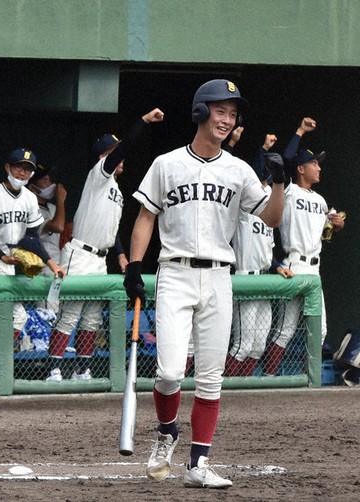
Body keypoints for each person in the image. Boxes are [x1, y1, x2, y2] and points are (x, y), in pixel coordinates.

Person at [123, 79, 285, 488]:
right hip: (175, 272)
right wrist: (135, 266)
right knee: (170, 373)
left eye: (232, 114)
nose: (227, 119)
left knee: (211, 377)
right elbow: (146, 218)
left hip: (218, 276)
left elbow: (272, 218)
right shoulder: (167, 163)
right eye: (220, 110)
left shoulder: (238, 169)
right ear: (200, 112)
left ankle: (198, 464)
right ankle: (166, 434)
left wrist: (279, 184)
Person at [46, 108, 164, 382]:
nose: (119, 156)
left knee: (91, 319)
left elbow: (113, 231)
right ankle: (54, 367)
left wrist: (121, 255)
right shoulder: (99, 174)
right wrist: (143, 122)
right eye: (113, 151)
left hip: (100, 257)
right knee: (70, 315)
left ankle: (82, 369)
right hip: (81, 253)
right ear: (104, 155)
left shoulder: (116, 190)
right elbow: (122, 151)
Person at [263, 117, 345, 376]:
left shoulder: (321, 200)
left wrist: (336, 225)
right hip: (293, 264)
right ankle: (268, 378)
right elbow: (286, 160)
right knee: (285, 329)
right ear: (301, 169)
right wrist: (299, 131)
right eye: (313, 163)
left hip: (314, 268)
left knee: (319, 330)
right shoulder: (288, 190)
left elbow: (324, 235)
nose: (318, 168)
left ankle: (311, 382)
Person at [0, 148, 66, 380]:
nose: (23, 172)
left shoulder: (28, 198)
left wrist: (51, 263)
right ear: (7, 168)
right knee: (17, 316)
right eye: (18, 167)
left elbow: (31, 238)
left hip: (10, 259)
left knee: (2, 320)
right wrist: (2, 256)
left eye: (28, 169)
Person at [226, 134, 294, 376]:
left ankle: (244, 394)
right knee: (242, 345)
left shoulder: (270, 203)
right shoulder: (245, 202)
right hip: (246, 278)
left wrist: (276, 266)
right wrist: (262, 148)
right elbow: (233, 167)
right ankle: (225, 389)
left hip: (264, 278)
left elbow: (267, 248)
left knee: (257, 347)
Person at [27, 164, 67, 277]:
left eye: (49, 180)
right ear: (32, 187)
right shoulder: (31, 209)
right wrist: (60, 200)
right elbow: (58, 227)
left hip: (60, 263)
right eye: (44, 180)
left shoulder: (53, 208)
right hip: (42, 266)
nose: (50, 184)